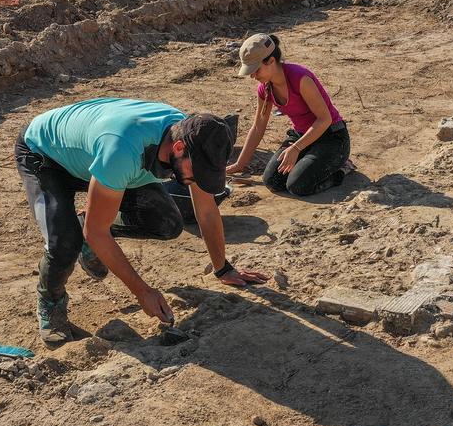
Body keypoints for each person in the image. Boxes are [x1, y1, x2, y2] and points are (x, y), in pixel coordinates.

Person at [16, 98, 269, 343]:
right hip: (45, 156)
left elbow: (206, 209)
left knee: (167, 223)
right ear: (178, 149)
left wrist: (222, 268)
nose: (199, 178)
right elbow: (97, 232)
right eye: (199, 172)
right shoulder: (122, 151)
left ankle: (86, 221)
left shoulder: (193, 139)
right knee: (65, 242)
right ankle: (50, 305)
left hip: (98, 158)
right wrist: (143, 292)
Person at [226, 34, 352, 196]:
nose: (253, 76)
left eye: (255, 70)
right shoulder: (265, 89)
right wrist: (240, 164)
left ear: (271, 61)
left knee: (298, 186)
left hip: (332, 137)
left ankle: (340, 170)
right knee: (272, 181)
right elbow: (258, 126)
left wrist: (296, 148)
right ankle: (309, 161)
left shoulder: (300, 78)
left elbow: (325, 119)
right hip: (302, 137)